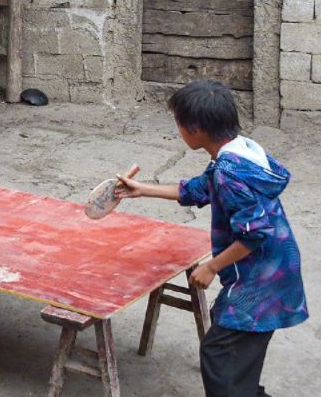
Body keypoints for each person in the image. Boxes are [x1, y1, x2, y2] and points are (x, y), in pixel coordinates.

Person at [116, 79, 308, 397]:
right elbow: (198, 189)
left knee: (219, 358)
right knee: (234, 355)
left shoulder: (230, 173)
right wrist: (142, 190)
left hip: (262, 280)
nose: (178, 129)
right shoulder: (237, 151)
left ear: (195, 130)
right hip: (271, 270)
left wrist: (211, 266)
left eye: (179, 124)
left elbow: (255, 234)